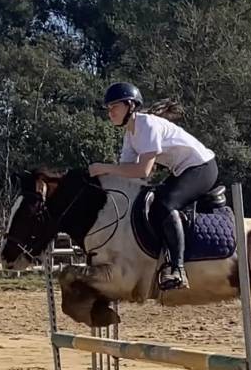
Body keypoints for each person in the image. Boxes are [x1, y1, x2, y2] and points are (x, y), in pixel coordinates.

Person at [88, 82, 218, 291]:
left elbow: (143, 171)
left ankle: (178, 269)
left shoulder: (147, 124)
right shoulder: (130, 135)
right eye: (108, 108)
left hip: (202, 168)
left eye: (114, 106)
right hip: (182, 171)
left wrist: (104, 168)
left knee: (165, 205)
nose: (110, 112)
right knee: (149, 202)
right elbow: (126, 173)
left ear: (130, 105)